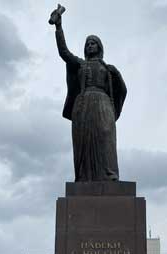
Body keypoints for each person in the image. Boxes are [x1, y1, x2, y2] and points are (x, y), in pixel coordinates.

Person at [50, 7, 127, 182]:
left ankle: (109, 174)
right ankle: (84, 176)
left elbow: (121, 90)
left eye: (93, 43)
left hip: (103, 105)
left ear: (99, 47)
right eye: (87, 44)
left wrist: (116, 76)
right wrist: (59, 27)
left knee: (105, 136)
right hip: (83, 105)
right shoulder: (80, 64)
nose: (90, 46)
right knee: (83, 141)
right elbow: (64, 52)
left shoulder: (108, 68)